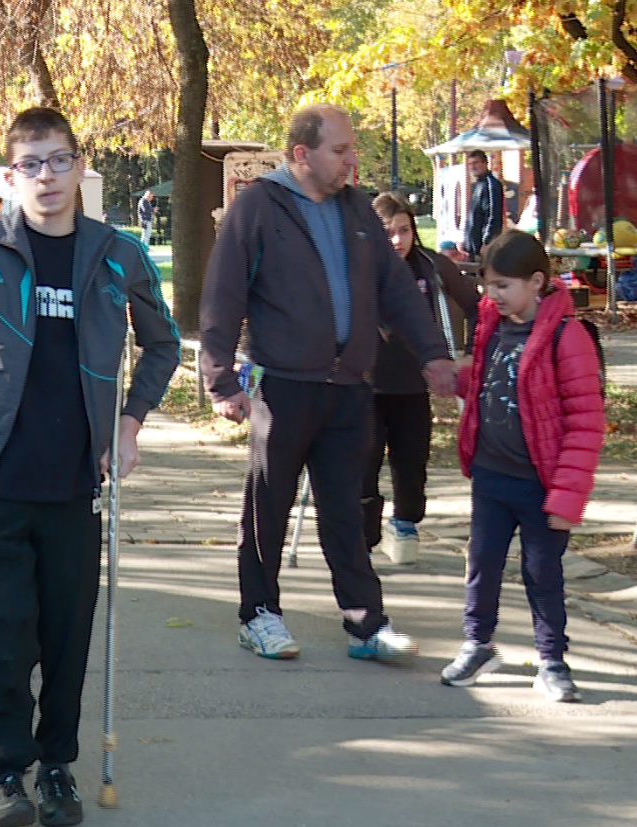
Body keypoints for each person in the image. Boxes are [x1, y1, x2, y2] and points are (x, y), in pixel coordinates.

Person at [0, 107, 179, 827]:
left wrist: (130, 420)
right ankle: (1, 774)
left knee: (65, 634)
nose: (47, 178)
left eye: (59, 161)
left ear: (81, 166)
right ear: (8, 175)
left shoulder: (117, 254)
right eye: (31, 164)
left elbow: (163, 342)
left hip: (77, 482)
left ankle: (56, 766)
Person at [200, 103, 455, 664]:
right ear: (301, 154)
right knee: (269, 505)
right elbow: (223, 294)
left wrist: (433, 354)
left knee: (346, 508)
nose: (350, 162)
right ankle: (259, 615)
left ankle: (366, 625)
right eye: (340, 151)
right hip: (283, 385)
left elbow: (395, 291)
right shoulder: (259, 208)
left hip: (347, 387)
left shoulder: (357, 212)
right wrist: (221, 382)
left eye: (352, 150)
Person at [440, 229, 604, 702]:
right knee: (483, 563)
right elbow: (491, 384)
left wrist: (569, 498)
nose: (492, 295)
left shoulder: (566, 336)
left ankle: (552, 659)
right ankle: (478, 644)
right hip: (492, 475)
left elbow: (585, 420)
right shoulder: (493, 324)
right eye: (488, 285)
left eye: (502, 286)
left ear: (536, 282)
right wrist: (457, 381)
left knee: (542, 572)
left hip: (541, 484)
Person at [364, 192, 480, 562]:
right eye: (388, 232)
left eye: (404, 230)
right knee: (361, 463)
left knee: (411, 462)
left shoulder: (431, 266)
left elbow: (479, 305)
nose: (398, 240)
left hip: (413, 383)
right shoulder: (356, 265)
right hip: (362, 384)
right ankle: (361, 535)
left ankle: (404, 523)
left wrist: (470, 353)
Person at [462, 150, 504, 262]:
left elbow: (493, 215)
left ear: (485, 163)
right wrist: (465, 241)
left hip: (483, 249)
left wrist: (487, 242)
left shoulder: (491, 185)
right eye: (470, 164)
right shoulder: (479, 185)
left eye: (476, 163)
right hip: (473, 249)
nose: (473, 167)